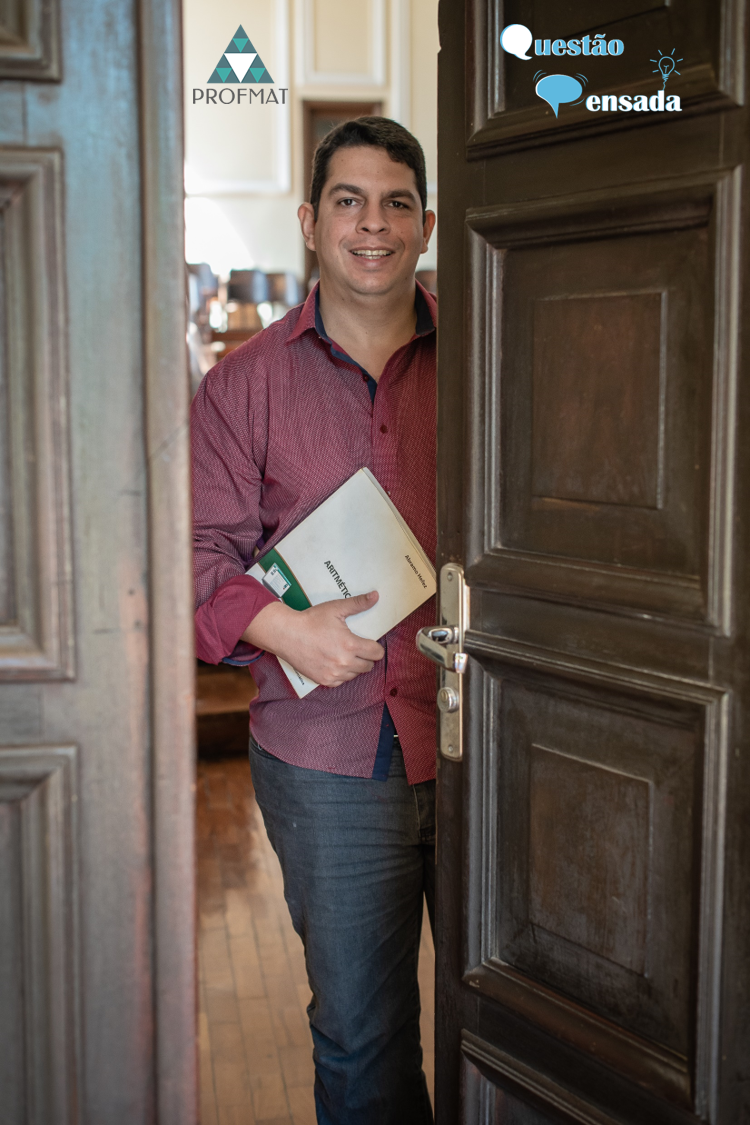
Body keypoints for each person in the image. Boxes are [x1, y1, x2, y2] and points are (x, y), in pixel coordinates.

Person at [192, 117, 437, 1125]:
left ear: (426, 226)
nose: (373, 224)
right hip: (329, 753)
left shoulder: (496, 356)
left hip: (494, 734)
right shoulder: (242, 385)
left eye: (396, 203)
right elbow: (197, 555)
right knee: (363, 1038)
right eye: (349, 201)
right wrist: (284, 628)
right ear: (309, 221)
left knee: (513, 1022)